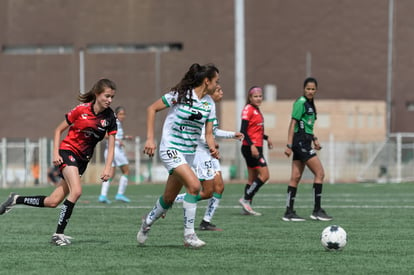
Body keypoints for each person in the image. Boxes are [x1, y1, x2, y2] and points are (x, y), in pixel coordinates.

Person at [0, 78, 118, 246]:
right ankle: (58, 235)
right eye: (107, 96)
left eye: (112, 97)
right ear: (97, 94)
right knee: (76, 191)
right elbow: (58, 130)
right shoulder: (81, 110)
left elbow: (111, 144)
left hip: (83, 161)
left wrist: (108, 167)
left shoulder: (110, 117)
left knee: (53, 201)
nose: (110, 100)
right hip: (68, 152)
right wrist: (55, 153)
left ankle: (16, 199)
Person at [137, 63, 220, 248]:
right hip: (170, 148)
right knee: (194, 186)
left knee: (168, 198)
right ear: (207, 81)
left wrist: (213, 147)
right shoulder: (181, 94)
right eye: (216, 81)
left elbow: (208, 134)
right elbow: (151, 109)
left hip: (188, 154)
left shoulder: (209, 103)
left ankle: (147, 222)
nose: (217, 85)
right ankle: (189, 236)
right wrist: (150, 139)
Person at [174, 85, 244, 231]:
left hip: (210, 153)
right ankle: (168, 201)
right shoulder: (201, 107)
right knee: (206, 192)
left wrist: (232, 134)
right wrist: (211, 145)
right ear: (210, 93)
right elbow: (198, 133)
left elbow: (213, 131)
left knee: (219, 188)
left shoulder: (210, 108)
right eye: (218, 90)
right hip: (201, 153)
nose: (221, 92)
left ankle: (206, 222)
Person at [282, 77, 333, 222]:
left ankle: (289, 212)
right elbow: (293, 124)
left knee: (296, 177)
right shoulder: (301, 103)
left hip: (305, 142)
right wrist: (288, 145)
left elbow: (307, 127)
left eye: (313, 89)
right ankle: (317, 210)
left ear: (316, 90)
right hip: (299, 143)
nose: (310, 91)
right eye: (308, 89)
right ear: (303, 89)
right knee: (320, 173)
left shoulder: (311, 104)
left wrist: (314, 139)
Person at [238, 86, 273, 216]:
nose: (258, 98)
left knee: (251, 179)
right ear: (250, 98)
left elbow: (255, 131)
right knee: (265, 175)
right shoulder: (248, 110)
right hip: (250, 148)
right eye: (255, 96)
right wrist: (252, 145)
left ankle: (247, 207)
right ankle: (246, 199)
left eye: (260, 96)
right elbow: (243, 131)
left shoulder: (256, 110)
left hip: (255, 147)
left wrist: (266, 137)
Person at [99, 106, 132, 203]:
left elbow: (116, 136)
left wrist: (125, 137)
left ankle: (103, 196)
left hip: (110, 151)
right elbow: (105, 135)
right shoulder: (114, 122)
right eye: (121, 114)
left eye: (124, 114)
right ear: (116, 115)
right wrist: (118, 141)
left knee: (110, 174)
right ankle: (120, 194)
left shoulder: (118, 124)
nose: (123, 116)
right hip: (115, 150)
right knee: (126, 171)